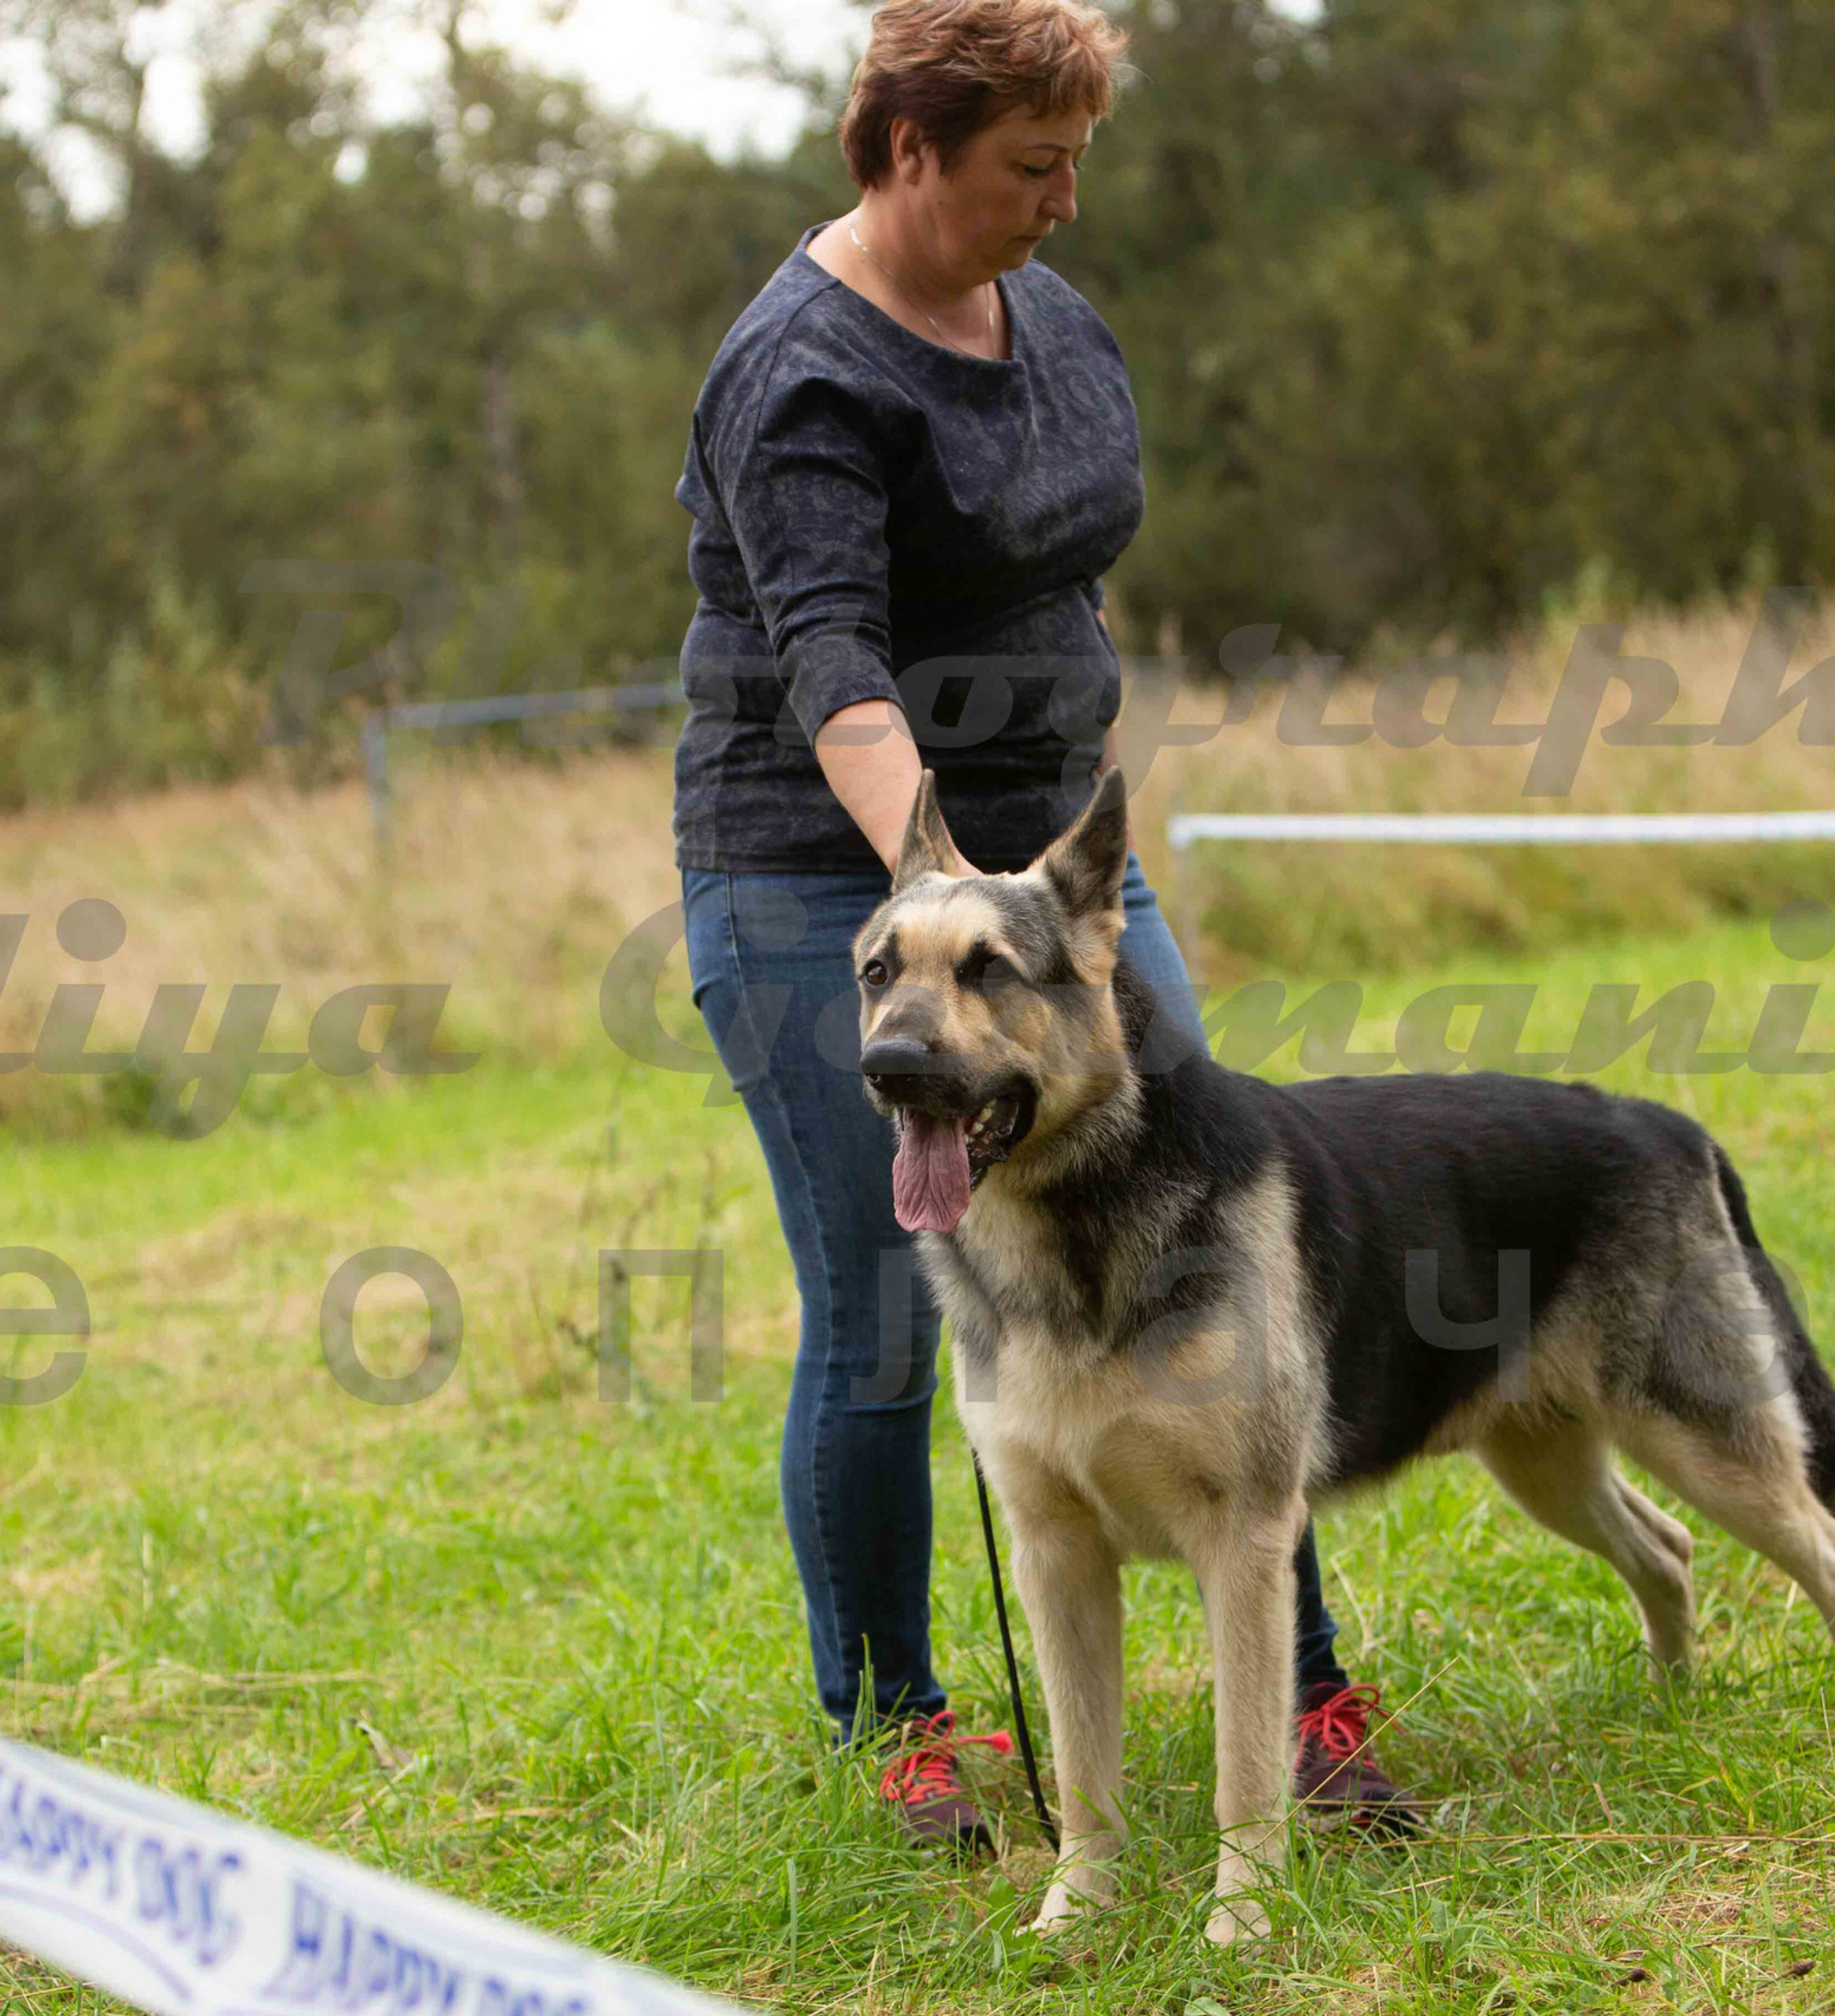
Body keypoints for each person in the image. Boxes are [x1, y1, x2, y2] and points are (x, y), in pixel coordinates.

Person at [670, 0, 1418, 1853]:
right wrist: (931, 884)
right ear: (906, 148)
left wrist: (1061, 831)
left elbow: (1068, 558)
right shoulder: (799, 370)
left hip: (1060, 880)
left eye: (1076, 158)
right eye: (1030, 163)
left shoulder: (1048, 315)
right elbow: (829, 657)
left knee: (1213, 1240)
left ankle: (1297, 1685)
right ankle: (897, 1721)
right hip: (822, 879)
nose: (1064, 200)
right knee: (884, 1314)